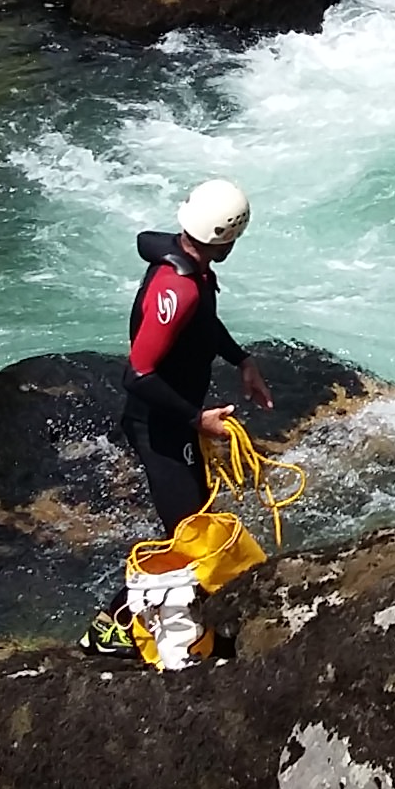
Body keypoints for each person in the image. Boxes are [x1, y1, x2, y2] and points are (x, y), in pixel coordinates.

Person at [122, 178, 275, 534]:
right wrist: (197, 418)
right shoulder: (179, 288)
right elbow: (137, 375)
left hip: (178, 420)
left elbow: (203, 323)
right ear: (227, 239)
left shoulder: (193, 266)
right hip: (158, 426)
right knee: (190, 532)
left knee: (199, 516)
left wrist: (242, 360)